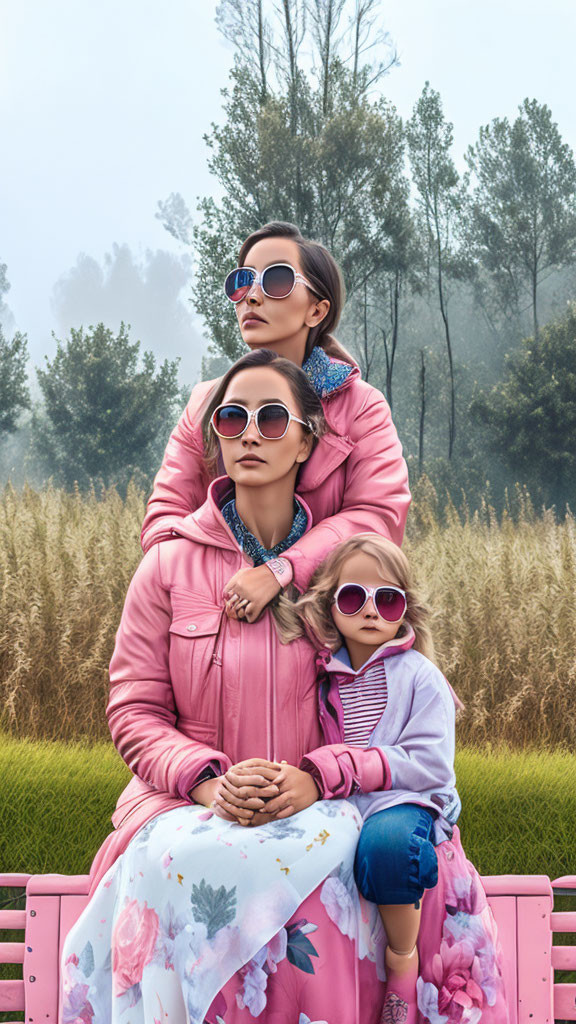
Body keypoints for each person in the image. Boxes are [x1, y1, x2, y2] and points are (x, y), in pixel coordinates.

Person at [60, 352, 392, 1024]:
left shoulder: (346, 577)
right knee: (175, 860)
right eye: (232, 417)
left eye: (272, 419)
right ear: (214, 437)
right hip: (185, 805)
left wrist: (314, 780)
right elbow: (134, 708)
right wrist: (209, 781)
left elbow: (388, 703)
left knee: (344, 866)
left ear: (309, 440)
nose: (248, 433)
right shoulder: (167, 565)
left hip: (319, 801)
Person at [278, 533, 510, 1024]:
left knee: (385, 848)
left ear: (403, 610)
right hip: (344, 804)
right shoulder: (321, 678)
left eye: (386, 600)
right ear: (330, 604)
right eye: (352, 597)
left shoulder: (420, 676)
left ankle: (401, 966)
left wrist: (353, 771)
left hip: (407, 800)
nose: (369, 611)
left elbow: (431, 765)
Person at [140, 220, 411, 622]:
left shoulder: (361, 408)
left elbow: (378, 521)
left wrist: (280, 570)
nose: (251, 296)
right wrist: (230, 590)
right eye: (242, 281)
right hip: (217, 625)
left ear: (317, 309)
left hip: (325, 628)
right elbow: (164, 522)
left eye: (277, 280)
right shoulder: (205, 406)